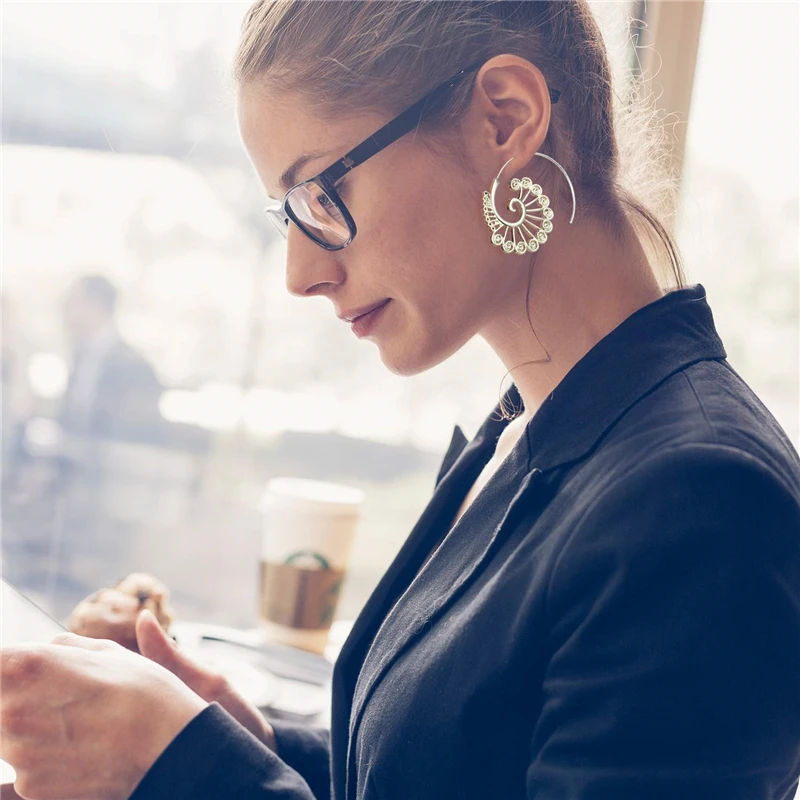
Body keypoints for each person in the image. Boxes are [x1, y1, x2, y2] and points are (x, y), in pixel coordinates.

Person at [2, 2, 799, 799]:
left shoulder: (703, 505)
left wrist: (185, 770)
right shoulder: (522, 433)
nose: (299, 274)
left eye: (324, 192)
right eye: (289, 213)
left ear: (505, 119)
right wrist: (251, 741)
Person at [59, 274, 163, 443]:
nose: (64, 313)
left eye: (72, 303)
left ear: (96, 306)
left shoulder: (136, 367)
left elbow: (137, 433)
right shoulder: (80, 357)